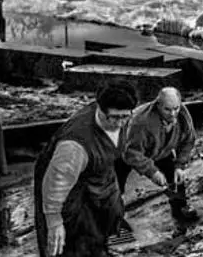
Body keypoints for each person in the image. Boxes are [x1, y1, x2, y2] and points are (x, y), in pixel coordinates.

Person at [34, 81, 138, 257]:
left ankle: (100, 248)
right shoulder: (73, 146)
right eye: (114, 117)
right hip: (65, 184)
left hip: (97, 169)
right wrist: (54, 222)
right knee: (72, 238)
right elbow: (56, 184)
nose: (120, 123)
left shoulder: (122, 118)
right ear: (100, 109)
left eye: (125, 117)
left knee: (110, 214)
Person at [115, 87, 199, 222]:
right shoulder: (140, 122)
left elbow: (188, 140)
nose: (173, 114)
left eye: (176, 108)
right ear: (158, 105)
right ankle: (113, 216)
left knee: (174, 176)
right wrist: (152, 172)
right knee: (115, 185)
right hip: (125, 149)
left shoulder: (183, 114)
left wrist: (180, 165)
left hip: (161, 149)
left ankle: (180, 208)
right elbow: (131, 153)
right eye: (167, 110)